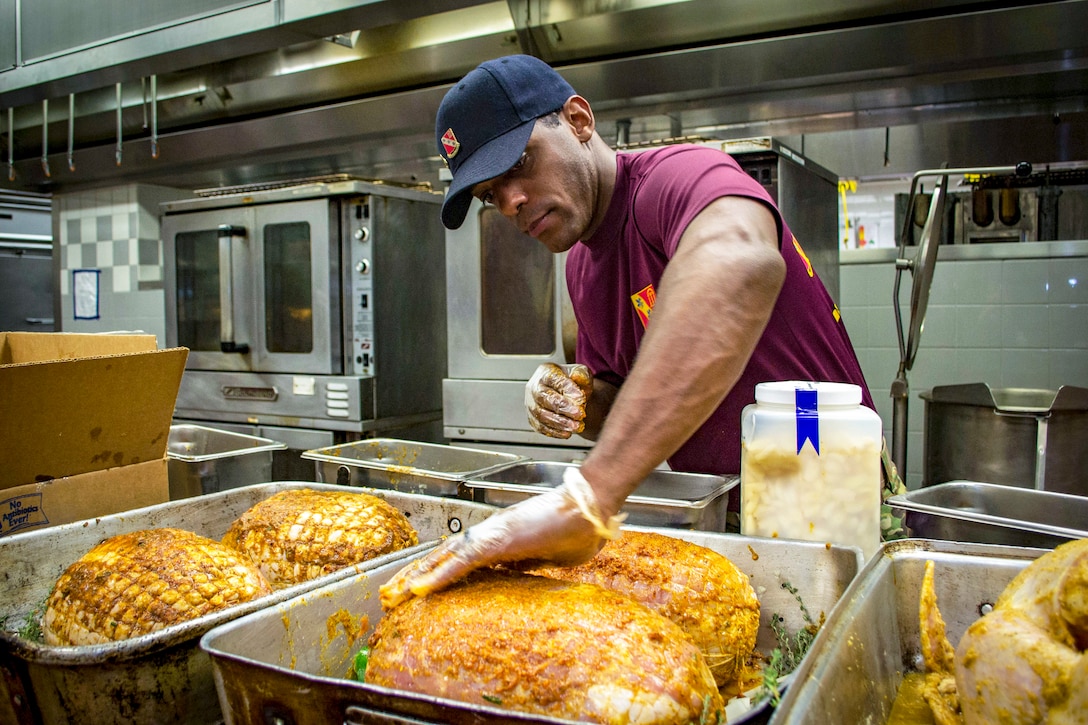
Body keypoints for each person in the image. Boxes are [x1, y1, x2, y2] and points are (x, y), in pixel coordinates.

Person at [380, 54, 883, 609]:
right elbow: (620, 402)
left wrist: (590, 494)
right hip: (732, 526)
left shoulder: (676, 179)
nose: (511, 202)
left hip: (834, 507)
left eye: (520, 163)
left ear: (577, 120)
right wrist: (577, 399)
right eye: (490, 195)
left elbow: (740, 263)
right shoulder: (581, 270)